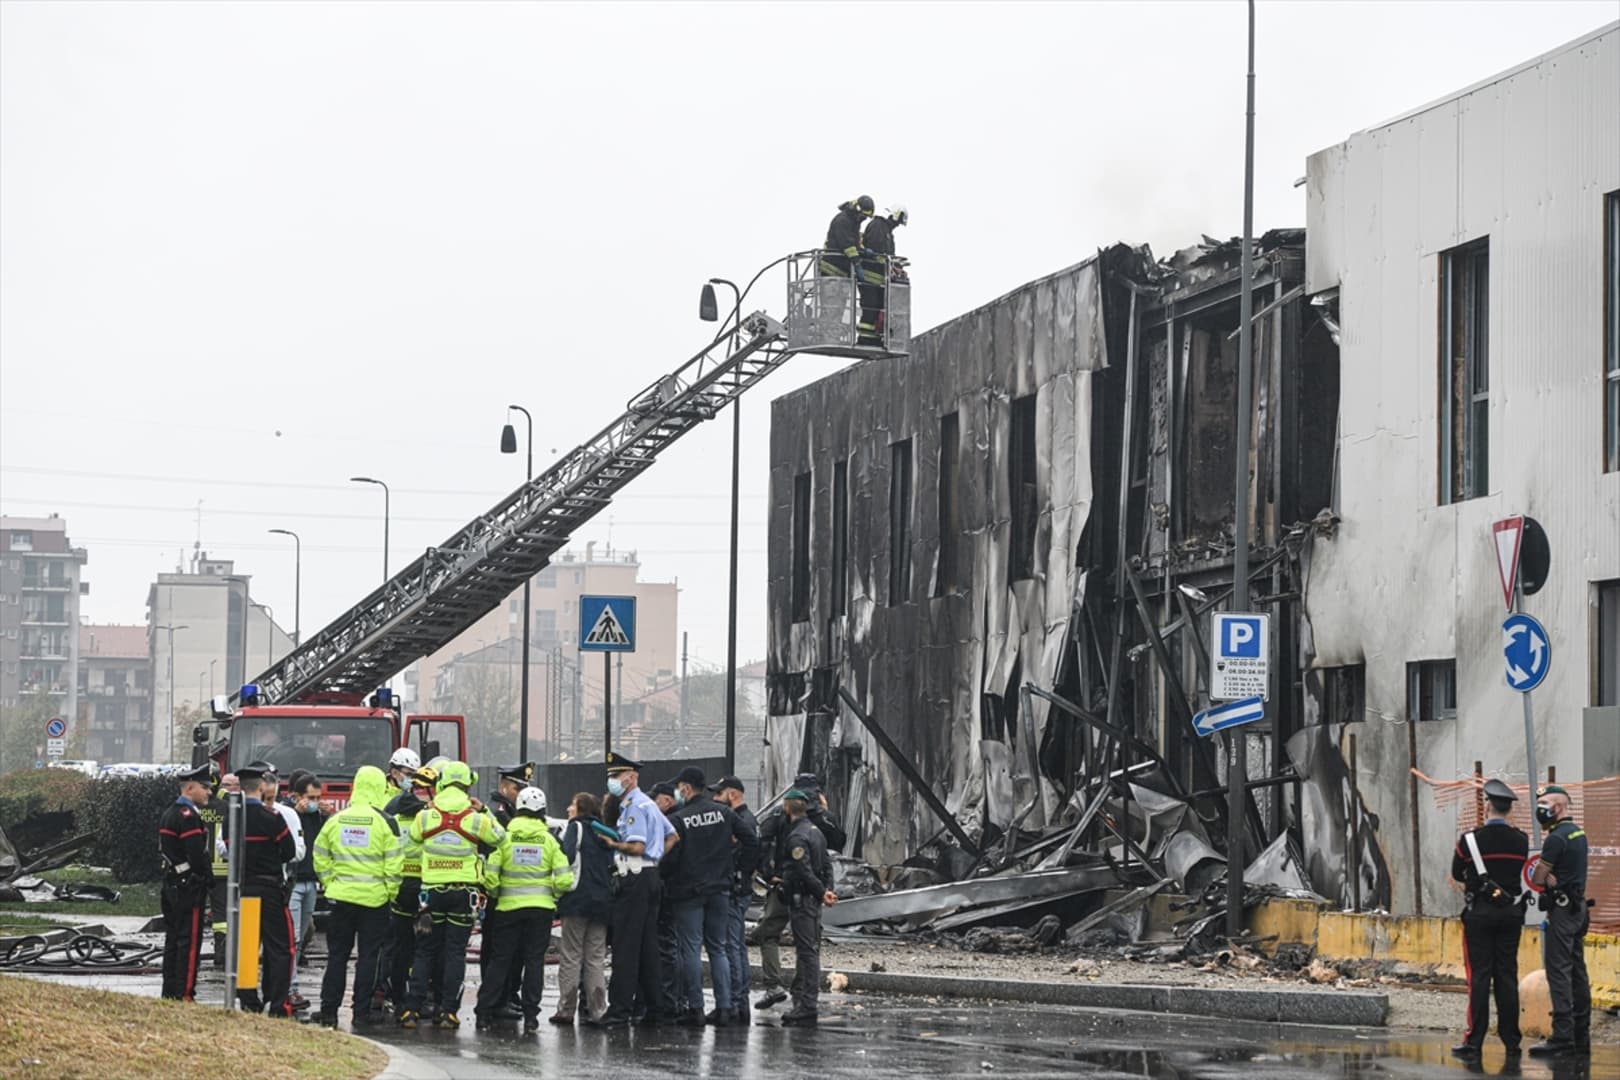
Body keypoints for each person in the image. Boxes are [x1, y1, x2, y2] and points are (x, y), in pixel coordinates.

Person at [400, 761, 503, 1030]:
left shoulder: (425, 816)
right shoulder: (475, 819)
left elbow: (411, 842)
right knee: (455, 953)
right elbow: (500, 838)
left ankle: (411, 1009)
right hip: (463, 894)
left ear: (442, 783)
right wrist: (484, 811)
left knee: (424, 951)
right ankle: (448, 1011)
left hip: (431, 894)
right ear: (468, 784)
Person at [311, 765, 402, 1028]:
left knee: (337, 956)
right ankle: (361, 1012)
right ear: (379, 788)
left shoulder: (337, 819)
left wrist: (330, 883)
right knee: (368, 957)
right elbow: (394, 864)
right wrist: (389, 893)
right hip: (375, 901)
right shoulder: (386, 822)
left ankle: (329, 1010)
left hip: (341, 899)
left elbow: (319, 855)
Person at [666, 766, 758, 1026]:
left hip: (689, 891)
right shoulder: (725, 813)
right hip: (720, 889)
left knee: (691, 949)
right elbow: (751, 841)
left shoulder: (680, 819)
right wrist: (739, 870)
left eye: (679, 787)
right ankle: (725, 1007)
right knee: (718, 949)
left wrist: (671, 878)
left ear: (685, 789)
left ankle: (695, 1008)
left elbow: (669, 857)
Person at [476, 786, 573, 1031]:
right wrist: (552, 895)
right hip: (540, 911)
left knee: (500, 961)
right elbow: (564, 879)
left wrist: (498, 893)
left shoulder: (505, 838)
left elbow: (491, 876)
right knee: (534, 962)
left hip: (508, 909)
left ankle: (484, 1012)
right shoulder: (550, 841)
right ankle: (531, 1017)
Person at [594, 751, 677, 1027]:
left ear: (631, 777)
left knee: (626, 946)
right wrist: (655, 861)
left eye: (616, 776)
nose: (612, 781)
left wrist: (612, 844)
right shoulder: (649, 804)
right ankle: (655, 1007)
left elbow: (637, 845)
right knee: (647, 948)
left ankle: (619, 1010)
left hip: (634, 876)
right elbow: (673, 836)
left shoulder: (633, 806)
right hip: (649, 877)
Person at [1448, 777, 1527, 1059]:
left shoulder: (1470, 840)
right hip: (1511, 915)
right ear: (1509, 810)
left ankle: (1474, 1041)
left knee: (1479, 976)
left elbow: (1457, 873)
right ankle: (1512, 1041)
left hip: (1479, 915)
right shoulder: (1521, 840)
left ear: (1488, 806)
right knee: (1507, 975)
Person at [753, 773, 847, 1009]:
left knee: (769, 933)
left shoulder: (780, 813)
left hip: (785, 885)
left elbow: (761, 842)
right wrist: (825, 889)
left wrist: (767, 873)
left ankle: (775, 985)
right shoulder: (819, 819)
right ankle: (800, 991)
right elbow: (837, 844)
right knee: (808, 943)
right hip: (810, 889)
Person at [231, 761, 299, 1017]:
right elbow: (289, 852)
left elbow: (228, 849)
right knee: (281, 947)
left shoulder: (232, 817)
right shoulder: (272, 817)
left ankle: (248, 999)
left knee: (247, 945)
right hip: (270, 888)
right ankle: (278, 1002)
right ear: (261, 786)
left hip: (242, 887)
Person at [1529, 784, 1591, 1058]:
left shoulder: (1555, 839)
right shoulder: (1578, 833)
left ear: (1559, 807)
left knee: (1559, 972)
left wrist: (1545, 875)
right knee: (1578, 971)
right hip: (1579, 909)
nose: (1540, 809)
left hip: (1563, 912)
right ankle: (1581, 1034)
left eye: (1544, 803)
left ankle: (1562, 1037)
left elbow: (1539, 877)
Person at [776, 788, 838, 1026]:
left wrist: (823, 893)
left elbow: (803, 870)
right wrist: (827, 890)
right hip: (813, 899)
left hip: (803, 900)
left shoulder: (797, 837)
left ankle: (807, 1004)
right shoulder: (817, 832)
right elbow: (827, 864)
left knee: (807, 953)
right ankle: (805, 1000)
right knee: (810, 950)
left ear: (787, 808)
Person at [481, 761, 537, 1019]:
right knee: (497, 950)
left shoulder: (514, 813)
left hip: (511, 892)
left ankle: (508, 994)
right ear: (505, 787)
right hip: (498, 890)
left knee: (513, 951)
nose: (522, 794)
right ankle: (496, 997)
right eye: (518, 788)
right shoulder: (497, 813)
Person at [554, 792, 614, 1025]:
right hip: (602, 902)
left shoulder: (575, 827)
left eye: (572, 804)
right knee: (595, 957)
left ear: (580, 809)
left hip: (577, 900)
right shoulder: (603, 831)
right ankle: (598, 1009)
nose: (569, 809)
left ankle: (566, 1008)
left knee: (571, 955)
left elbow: (566, 857)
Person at [158, 763, 215, 1001]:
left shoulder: (170, 812)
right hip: (188, 887)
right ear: (190, 788)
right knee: (189, 942)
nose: (209, 792)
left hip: (172, 883)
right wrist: (205, 877)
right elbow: (196, 853)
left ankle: (170, 990)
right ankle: (185, 992)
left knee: (173, 939)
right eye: (205, 787)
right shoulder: (188, 816)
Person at [384, 765, 435, 1017]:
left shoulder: (393, 815)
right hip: (423, 888)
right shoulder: (426, 820)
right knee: (424, 946)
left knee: (400, 945)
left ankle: (397, 996)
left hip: (400, 887)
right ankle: (420, 997)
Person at [709, 775, 758, 1022]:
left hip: (735, 891)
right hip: (738, 888)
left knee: (732, 947)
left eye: (719, 794)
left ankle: (737, 1003)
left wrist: (738, 876)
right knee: (734, 947)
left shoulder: (742, 821)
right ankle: (739, 1000)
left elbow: (750, 850)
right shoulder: (741, 819)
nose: (715, 799)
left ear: (733, 794)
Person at [284, 770, 328, 1009]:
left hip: (311, 882)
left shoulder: (318, 817)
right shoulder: (288, 815)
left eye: (318, 798)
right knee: (292, 937)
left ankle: (291, 986)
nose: (315, 803)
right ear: (296, 796)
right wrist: (296, 816)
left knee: (301, 940)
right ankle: (288, 989)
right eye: (311, 798)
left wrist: (329, 816)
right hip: (293, 882)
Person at [650, 779, 685, 1021]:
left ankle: (669, 999)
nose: (652, 804)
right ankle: (675, 998)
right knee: (675, 945)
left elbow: (667, 858)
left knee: (667, 946)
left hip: (669, 889)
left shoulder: (671, 822)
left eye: (656, 799)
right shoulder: (679, 818)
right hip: (678, 889)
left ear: (667, 801)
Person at [858, 204, 907, 346]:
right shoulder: (877, 226)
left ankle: (873, 338)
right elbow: (877, 253)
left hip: (879, 278)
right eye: (897, 222)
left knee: (877, 308)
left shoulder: (887, 232)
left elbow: (888, 255)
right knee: (870, 307)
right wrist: (889, 264)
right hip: (869, 276)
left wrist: (896, 266)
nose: (897, 225)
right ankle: (865, 339)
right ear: (894, 215)